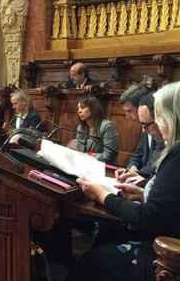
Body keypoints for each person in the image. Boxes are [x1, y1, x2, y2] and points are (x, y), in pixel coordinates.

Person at [71, 81, 180, 281]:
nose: (155, 126)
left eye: (161, 117)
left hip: (168, 256)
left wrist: (103, 194)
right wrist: (143, 191)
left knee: (91, 261)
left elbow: (147, 219)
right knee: (108, 231)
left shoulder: (177, 154)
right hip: (165, 236)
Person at [115, 94, 164, 182]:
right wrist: (133, 168)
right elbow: (137, 155)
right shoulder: (146, 128)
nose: (127, 116)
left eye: (129, 111)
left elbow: (155, 164)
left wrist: (138, 174)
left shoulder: (160, 132)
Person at [69, 96, 119, 165]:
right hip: (84, 165)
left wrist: (87, 156)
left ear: (93, 109)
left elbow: (109, 156)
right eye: (78, 108)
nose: (79, 111)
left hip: (102, 168)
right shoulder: (80, 127)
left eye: (83, 107)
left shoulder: (107, 126)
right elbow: (79, 151)